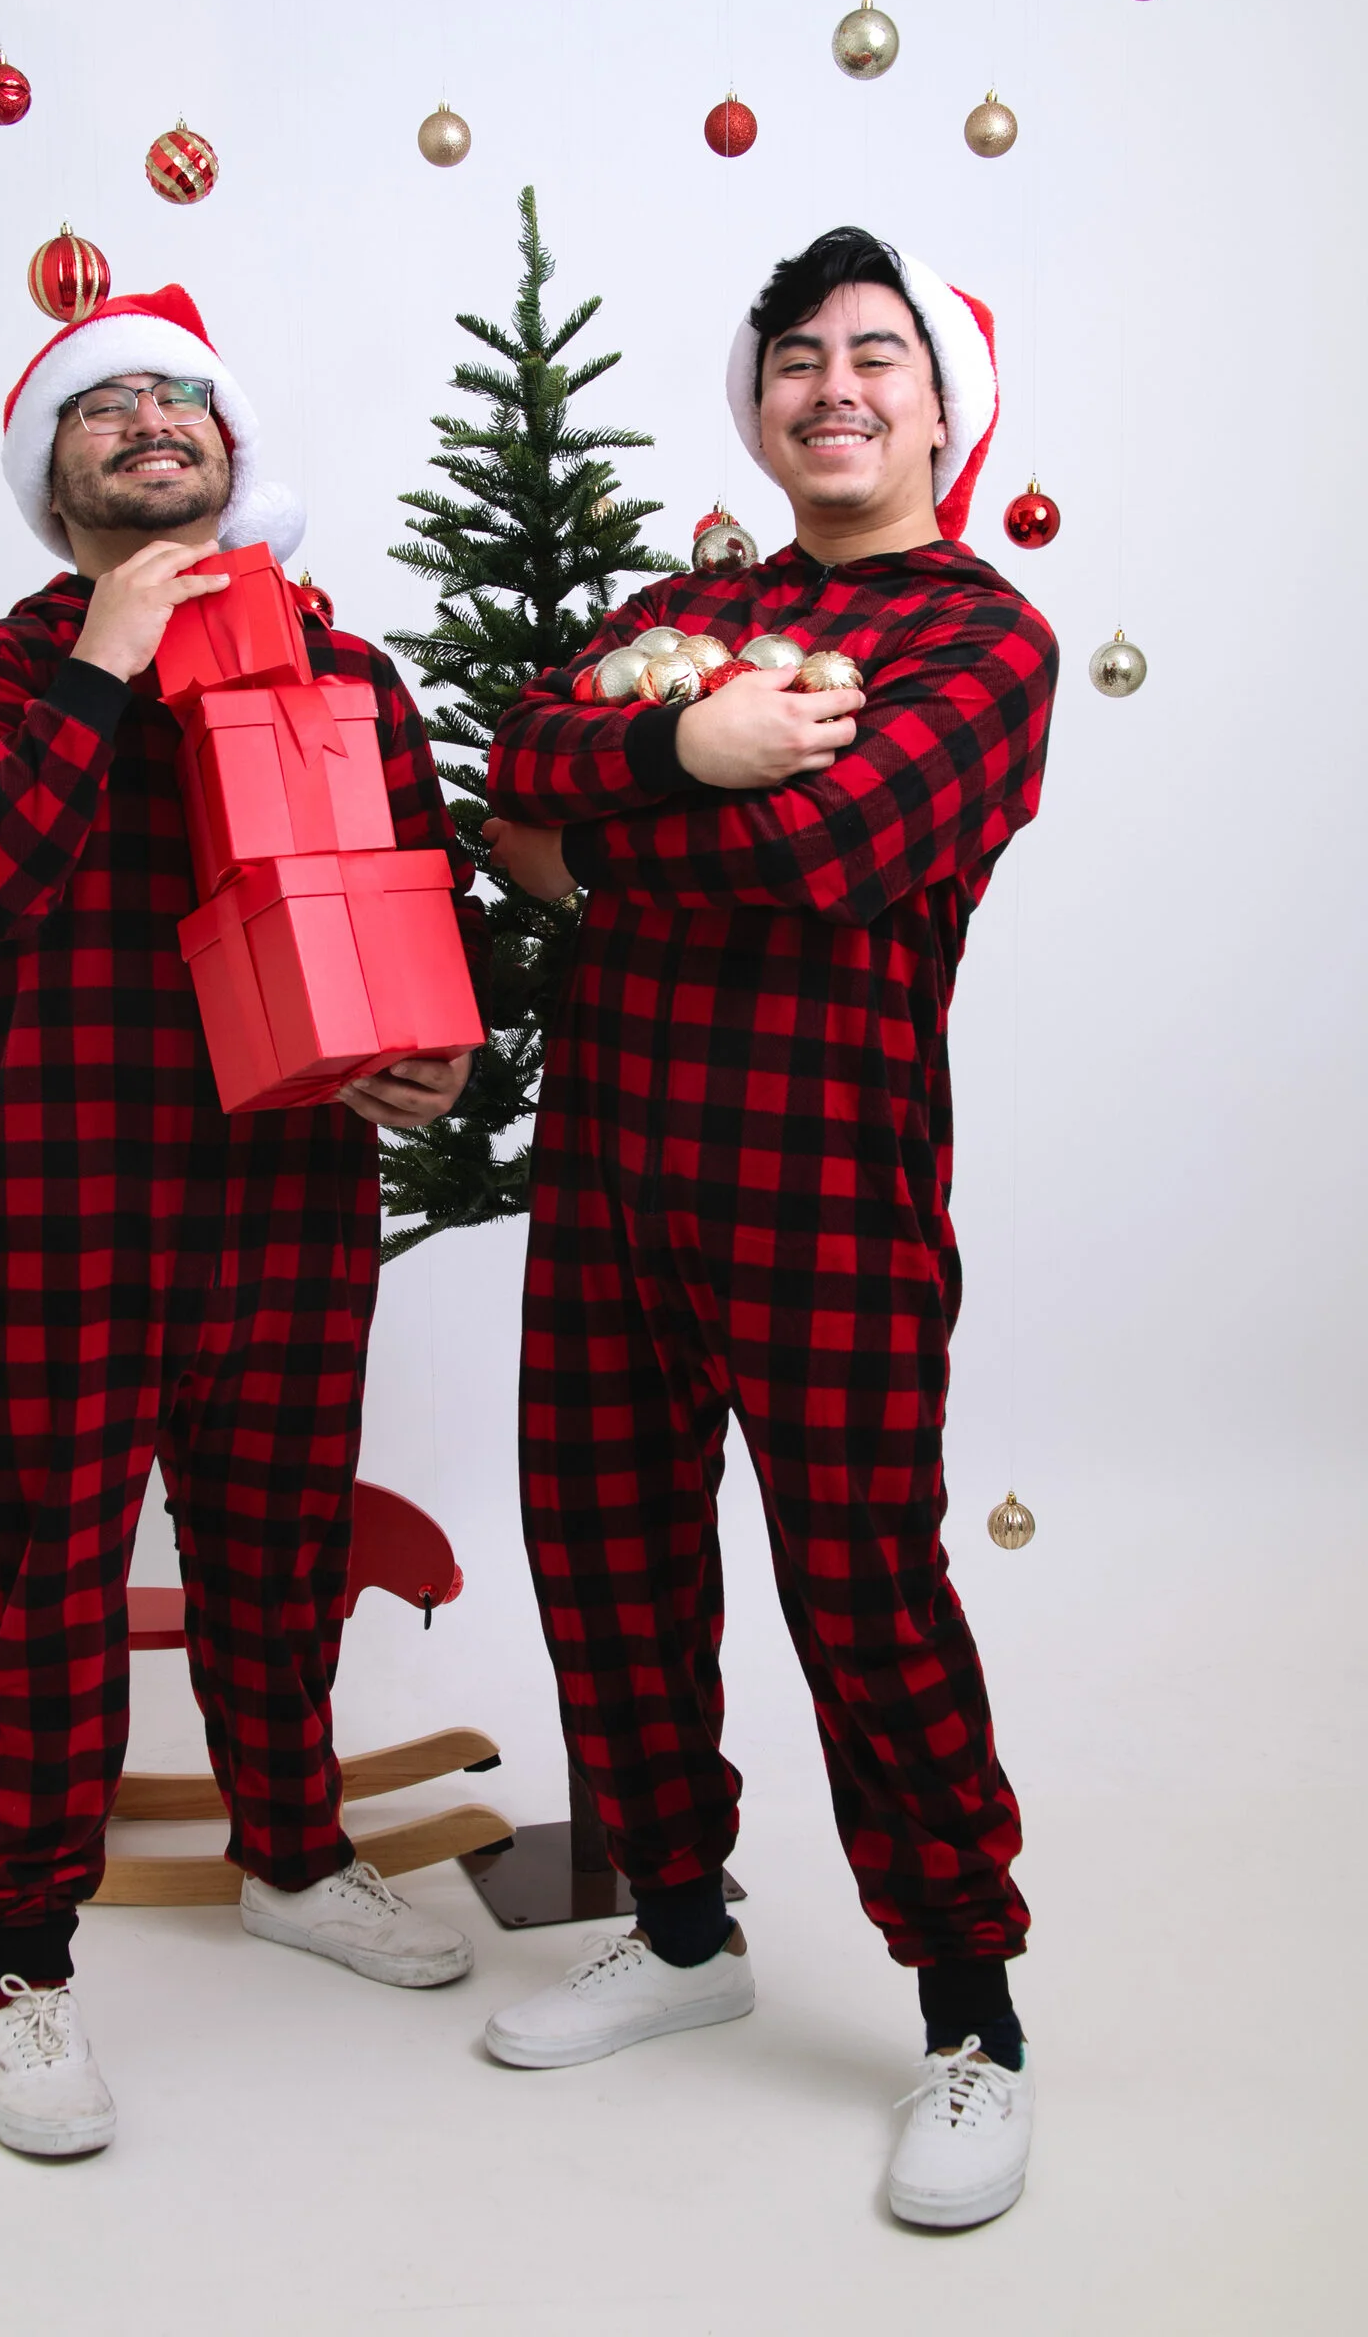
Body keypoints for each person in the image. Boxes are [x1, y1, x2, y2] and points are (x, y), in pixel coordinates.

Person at [480, 229, 1057, 2229]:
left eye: (875, 355)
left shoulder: (982, 645)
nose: (836, 383)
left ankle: (972, 2020)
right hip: (613, 1171)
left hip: (826, 1188)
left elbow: (829, 856)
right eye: (800, 354)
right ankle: (681, 1930)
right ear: (762, 399)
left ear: (931, 404)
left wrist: (607, 837)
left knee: (865, 1598)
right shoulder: (692, 614)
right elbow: (517, 766)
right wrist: (680, 747)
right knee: (605, 1545)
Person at [0, 285, 487, 2158]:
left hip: (289, 1194)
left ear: (233, 452)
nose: (149, 419)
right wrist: (105, 657)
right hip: (62, 1204)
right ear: (52, 478)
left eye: (179, 402)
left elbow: (417, 910)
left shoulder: (346, 673)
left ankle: (296, 1859)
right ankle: (21, 1958)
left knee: (280, 1543)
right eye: (104, 408)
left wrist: (430, 1064)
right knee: (39, 1573)